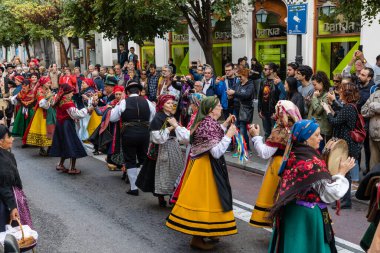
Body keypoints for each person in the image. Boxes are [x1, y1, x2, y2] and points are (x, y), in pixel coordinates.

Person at [268, 119, 355, 253]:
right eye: (316, 135)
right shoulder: (311, 162)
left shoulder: (293, 153)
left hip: (292, 213)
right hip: (306, 217)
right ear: (305, 139)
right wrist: (341, 173)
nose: (320, 138)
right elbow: (329, 193)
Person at [166, 96, 238, 251]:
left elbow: (215, 133)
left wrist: (225, 125)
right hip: (205, 168)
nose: (221, 108)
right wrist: (229, 135)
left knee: (212, 201)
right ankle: (197, 239)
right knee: (204, 202)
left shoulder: (208, 122)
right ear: (211, 109)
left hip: (206, 166)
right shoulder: (207, 125)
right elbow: (216, 152)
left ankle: (211, 230)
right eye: (219, 106)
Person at [249, 100, 302, 228]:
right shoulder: (300, 126)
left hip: (279, 166)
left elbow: (265, 153)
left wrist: (256, 136)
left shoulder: (280, 129)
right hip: (295, 167)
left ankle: (278, 231)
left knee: (274, 198)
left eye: (277, 111)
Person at [136, 94, 184, 206]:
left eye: (172, 103)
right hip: (162, 147)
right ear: (162, 105)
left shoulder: (172, 116)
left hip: (173, 146)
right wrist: (171, 127)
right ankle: (161, 196)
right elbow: (156, 137)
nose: (171, 105)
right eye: (168, 103)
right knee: (161, 172)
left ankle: (174, 194)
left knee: (176, 171)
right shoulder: (158, 117)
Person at [110, 81, 155, 195]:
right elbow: (152, 118)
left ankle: (134, 188)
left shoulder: (123, 102)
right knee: (143, 158)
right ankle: (145, 184)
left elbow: (113, 118)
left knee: (130, 159)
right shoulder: (148, 102)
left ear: (127, 92)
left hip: (129, 134)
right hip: (144, 133)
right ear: (139, 92)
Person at [322, 82, 362, 208]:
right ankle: (343, 199)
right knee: (345, 170)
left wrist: (328, 110)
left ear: (346, 94)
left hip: (347, 143)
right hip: (347, 142)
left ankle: (346, 200)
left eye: (341, 91)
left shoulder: (349, 108)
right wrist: (334, 102)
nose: (339, 93)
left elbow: (335, 121)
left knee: (346, 171)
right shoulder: (350, 106)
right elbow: (341, 113)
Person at [49, 84, 91, 174]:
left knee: (65, 144)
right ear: (67, 93)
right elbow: (76, 114)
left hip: (60, 124)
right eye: (71, 93)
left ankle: (60, 164)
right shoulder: (67, 102)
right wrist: (87, 109)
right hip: (67, 125)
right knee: (72, 144)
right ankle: (72, 168)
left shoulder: (60, 99)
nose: (72, 94)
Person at [0, 125, 33, 232]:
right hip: (4, 202)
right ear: (1, 141)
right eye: (9, 137)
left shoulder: (6, 156)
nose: (12, 139)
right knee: (10, 231)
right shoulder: (3, 161)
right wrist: (12, 206)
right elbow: (4, 186)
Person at [25, 76, 56, 156]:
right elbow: (42, 103)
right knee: (42, 128)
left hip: (49, 111)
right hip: (42, 112)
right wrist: (49, 101)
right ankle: (42, 148)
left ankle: (50, 147)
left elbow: (51, 100)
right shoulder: (40, 90)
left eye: (50, 82)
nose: (49, 84)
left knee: (50, 128)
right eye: (47, 82)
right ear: (43, 83)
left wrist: (53, 100)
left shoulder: (48, 89)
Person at [227, 68, 254, 154]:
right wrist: (229, 94)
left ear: (246, 76)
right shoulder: (238, 83)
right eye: (238, 77)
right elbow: (233, 91)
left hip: (245, 110)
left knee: (242, 129)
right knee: (236, 128)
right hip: (236, 108)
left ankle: (245, 149)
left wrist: (234, 93)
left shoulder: (250, 85)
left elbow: (246, 95)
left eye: (240, 76)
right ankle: (242, 148)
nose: (239, 78)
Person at [258, 62, 286, 138]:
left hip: (273, 112)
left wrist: (276, 112)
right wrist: (259, 109)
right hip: (264, 111)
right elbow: (260, 96)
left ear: (272, 70)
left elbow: (282, 98)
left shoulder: (278, 82)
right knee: (266, 132)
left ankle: (275, 149)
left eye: (265, 69)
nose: (264, 71)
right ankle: (266, 148)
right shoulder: (263, 81)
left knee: (275, 133)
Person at [309, 71, 332, 151]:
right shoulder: (317, 93)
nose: (314, 87)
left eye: (315, 84)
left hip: (322, 129)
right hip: (315, 126)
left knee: (320, 150)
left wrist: (314, 98)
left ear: (321, 83)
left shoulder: (327, 95)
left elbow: (318, 110)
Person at [361, 84, 380, 169]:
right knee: (374, 165)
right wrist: (372, 111)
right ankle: (374, 181)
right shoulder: (375, 94)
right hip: (373, 135)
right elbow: (363, 111)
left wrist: (375, 106)